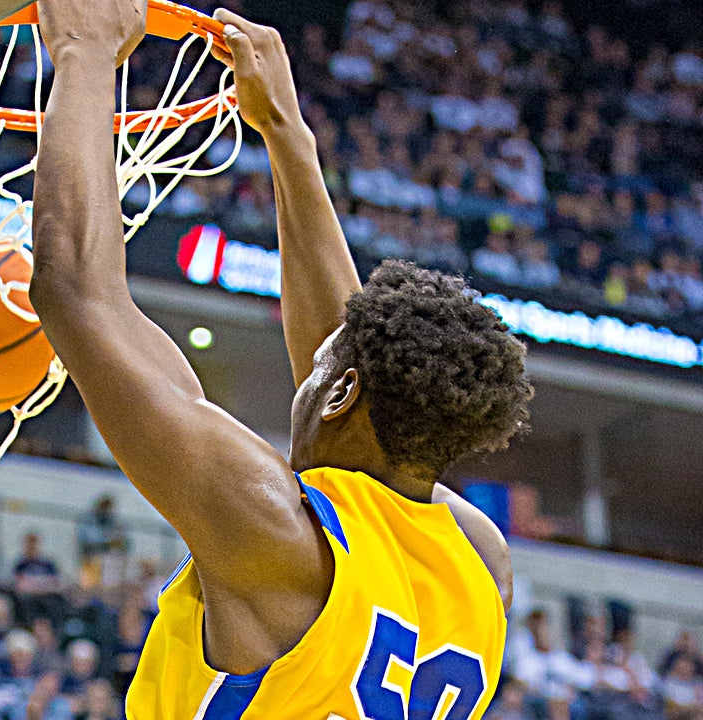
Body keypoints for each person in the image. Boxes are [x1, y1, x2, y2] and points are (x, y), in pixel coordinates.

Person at [29, 2, 528, 717]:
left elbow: (75, 294)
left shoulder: (274, 531)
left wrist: (84, 48)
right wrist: (285, 130)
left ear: (341, 393)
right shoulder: (480, 560)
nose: (309, 361)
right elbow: (353, 372)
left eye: (321, 366)